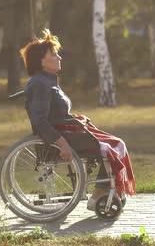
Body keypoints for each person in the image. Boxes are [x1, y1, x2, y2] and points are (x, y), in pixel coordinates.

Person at [19, 29, 135, 211]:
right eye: (54, 54)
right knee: (112, 147)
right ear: (42, 61)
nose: (59, 58)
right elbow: (40, 121)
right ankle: (100, 194)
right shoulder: (40, 84)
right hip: (58, 138)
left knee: (116, 144)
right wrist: (63, 144)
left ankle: (105, 191)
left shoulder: (47, 81)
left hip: (66, 131)